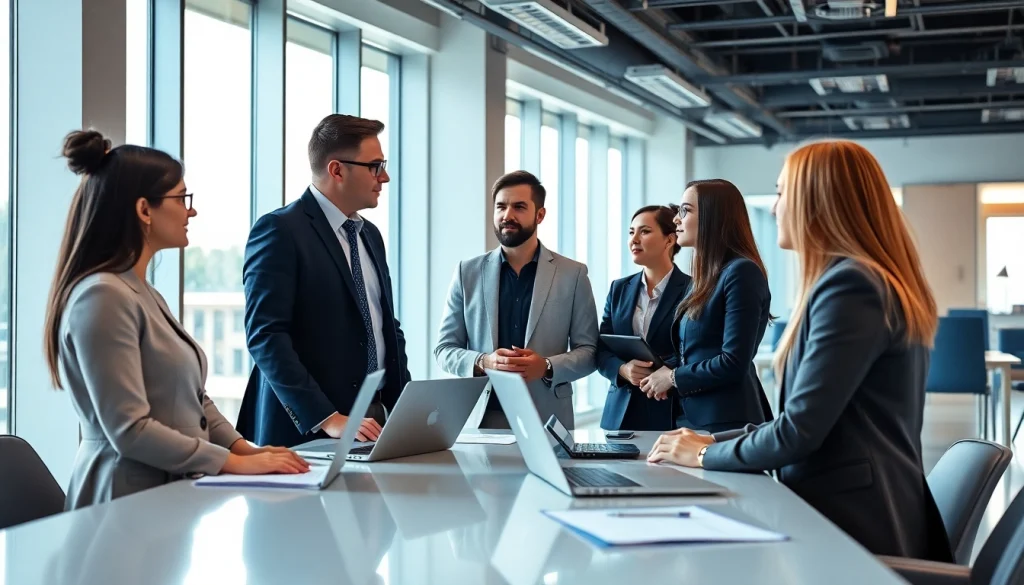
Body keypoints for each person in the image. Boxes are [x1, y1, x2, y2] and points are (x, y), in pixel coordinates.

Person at [647, 140, 953, 562]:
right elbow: (804, 422)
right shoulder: (859, 279)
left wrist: (703, 453)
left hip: (852, 524)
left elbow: (799, 433)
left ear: (818, 201)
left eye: (780, 192)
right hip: (847, 510)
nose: (774, 208)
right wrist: (712, 438)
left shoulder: (852, 286)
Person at [45, 130, 307, 510]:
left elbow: (194, 400)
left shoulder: (144, 293)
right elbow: (129, 431)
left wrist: (244, 450)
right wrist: (232, 464)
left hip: (167, 494)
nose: (191, 211)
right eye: (182, 198)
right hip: (122, 501)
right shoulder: (102, 296)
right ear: (144, 210)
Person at [236, 114, 411, 448]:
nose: (384, 177)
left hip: (374, 420)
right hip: (308, 429)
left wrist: (404, 408)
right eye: (375, 166)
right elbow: (266, 336)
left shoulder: (370, 235)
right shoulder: (280, 230)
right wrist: (326, 417)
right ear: (337, 169)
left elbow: (385, 325)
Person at [435, 170, 598, 429]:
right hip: (482, 418)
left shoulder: (573, 275)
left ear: (540, 215)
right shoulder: (467, 272)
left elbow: (589, 353)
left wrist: (546, 366)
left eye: (519, 207)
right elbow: (444, 350)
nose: (507, 215)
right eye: (501, 206)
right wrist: (483, 361)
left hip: (548, 418)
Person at [638, 179, 774, 432]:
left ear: (714, 217)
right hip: (692, 415)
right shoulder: (705, 277)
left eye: (685, 211)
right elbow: (694, 350)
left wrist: (672, 377)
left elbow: (733, 361)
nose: (676, 220)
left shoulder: (741, 272)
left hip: (727, 421)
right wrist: (654, 368)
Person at [596, 204, 691, 431]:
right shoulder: (618, 288)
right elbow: (601, 347)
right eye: (631, 232)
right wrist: (622, 369)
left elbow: (695, 349)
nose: (634, 239)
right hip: (619, 414)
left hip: (670, 409)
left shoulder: (693, 289)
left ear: (670, 240)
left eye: (644, 231)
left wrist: (664, 369)